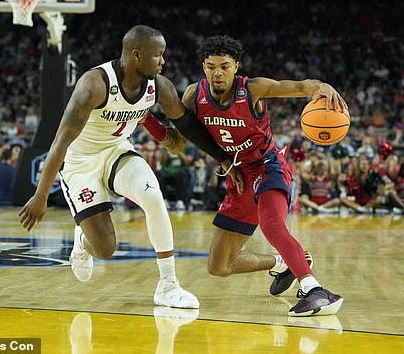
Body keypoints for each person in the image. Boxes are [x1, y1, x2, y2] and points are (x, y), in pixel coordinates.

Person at [18, 25, 240, 308]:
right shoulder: (93, 85)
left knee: (153, 196)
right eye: (158, 55)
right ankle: (83, 240)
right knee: (106, 249)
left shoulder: (158, 85)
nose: (163, 62)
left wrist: (222, 158)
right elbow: (60, 142)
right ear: (137, 55)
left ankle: (168, 285)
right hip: (80, 162)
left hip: (117, 151)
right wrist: (41, 196)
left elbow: (186, 125)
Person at [144, 35, 345, 316]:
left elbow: (298, 86)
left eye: (224, 66)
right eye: (211, 66)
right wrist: (144, 117)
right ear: (204, 67)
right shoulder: (193, 95)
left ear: (236, 66)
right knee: (219, 265)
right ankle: (281, 263)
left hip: (267, 167)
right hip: (238, 178)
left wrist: (320, 87)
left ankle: (316, 290)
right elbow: (176, 144)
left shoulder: (253, 89)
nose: (217, 73)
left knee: (271, 225)